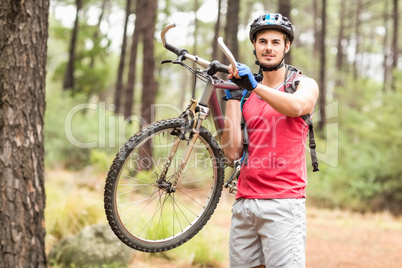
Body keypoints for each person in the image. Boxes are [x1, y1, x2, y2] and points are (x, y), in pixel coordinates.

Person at [221, 13, 319, 268]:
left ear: (287, 47)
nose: (268, 47)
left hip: (283, 203)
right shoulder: (246, 95)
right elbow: (232, 153)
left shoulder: (302, 84)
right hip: (244, 203)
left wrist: (254, 86)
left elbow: (297, 107)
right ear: (254, 46)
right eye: (262, 41)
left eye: (276, 42)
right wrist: (233, 97)